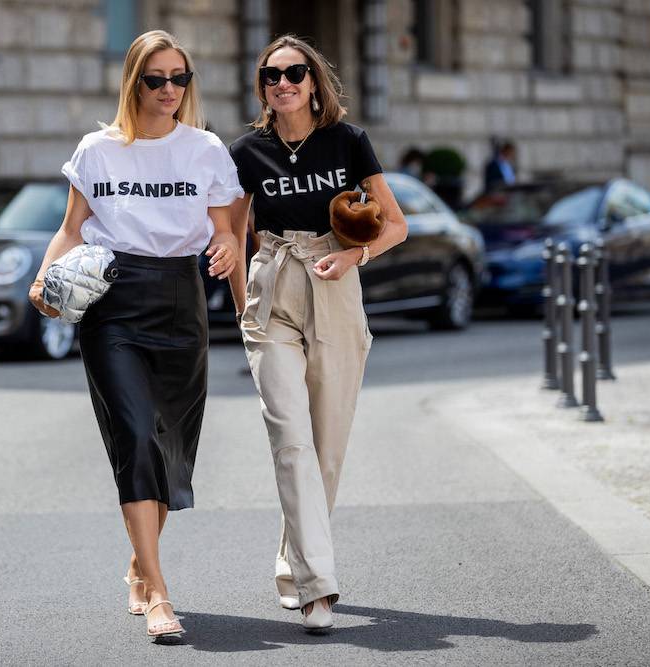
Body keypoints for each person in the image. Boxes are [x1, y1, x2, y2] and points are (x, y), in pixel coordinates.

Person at [28, 29, 243, 639]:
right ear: (134, 83)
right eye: (157, 79)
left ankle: (137, 566)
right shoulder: (98, 150)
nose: (170, 90)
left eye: (180, 78)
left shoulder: (205, 150)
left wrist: (226, 248)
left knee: (169, 441)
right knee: (134, 436)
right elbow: (72, 229)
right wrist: (43, 280)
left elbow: (225, 229)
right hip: (114, 303)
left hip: (181, 299)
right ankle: (159, 595)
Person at [228, 35, 408, 631]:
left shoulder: (347, 142)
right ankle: (317, 589)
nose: (282, 83)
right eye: (270, 75)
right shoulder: (246, 152)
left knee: (326, 449)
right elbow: (234, 237)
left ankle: (293, 562)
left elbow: (395, 226)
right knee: (291, 439)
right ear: (262, 87)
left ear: (313, 82)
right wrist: (242, 310)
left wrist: (353, 258)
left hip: (334, 284)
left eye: (294, 73)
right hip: (273, 287)